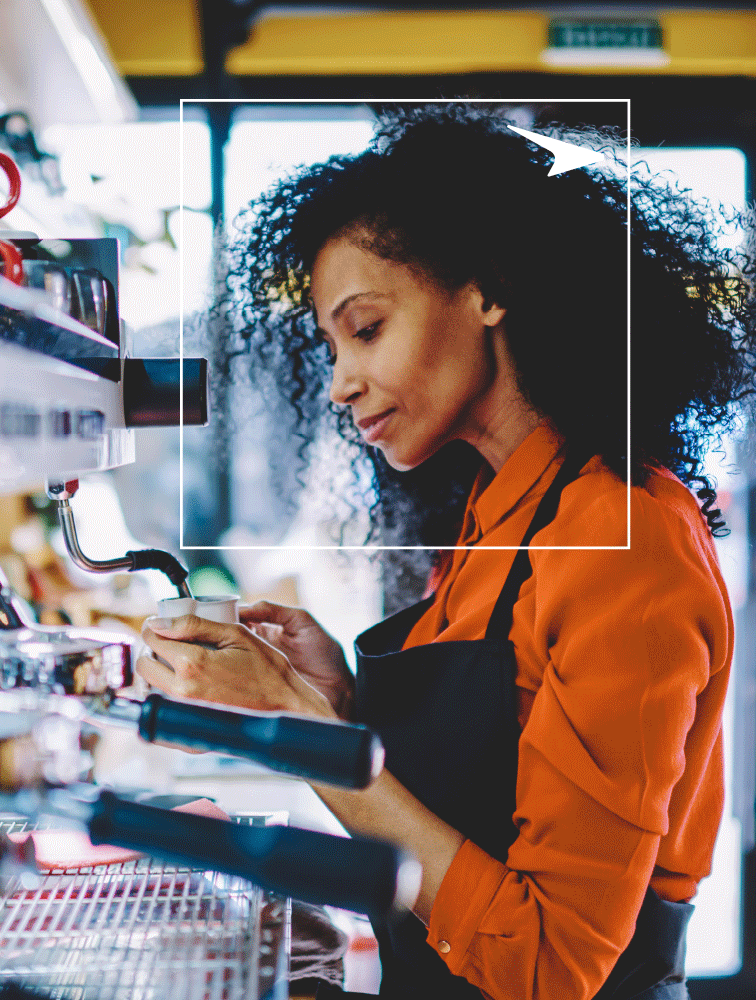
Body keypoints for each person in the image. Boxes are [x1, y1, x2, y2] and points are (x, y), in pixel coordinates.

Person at [136, 105, 755, 1000]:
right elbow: (476, 804)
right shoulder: (500, 509)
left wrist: (305, 732)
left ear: (489, 288)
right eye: (332, 345)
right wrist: (329, 703)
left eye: (368, 328)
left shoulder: (621, 538)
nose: (342, 382)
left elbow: (546, 965)